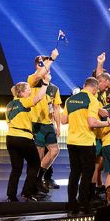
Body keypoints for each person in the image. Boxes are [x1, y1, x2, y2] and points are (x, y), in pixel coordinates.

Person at [62, 77, 110, 214]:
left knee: (74, 174)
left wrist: (102, 111)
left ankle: (71, 204)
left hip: (72, 142)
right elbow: (92, 123)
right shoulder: (92, 99)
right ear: (94, 88)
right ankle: (83, 205)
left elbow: (63, 120)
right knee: (86, 175)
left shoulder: (70, 100)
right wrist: (109, 123)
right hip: (86, 142)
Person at [6, 81, 48, 201]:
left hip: (10, 138)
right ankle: (27, 193)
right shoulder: (24, 101)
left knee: (16, 168)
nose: (30, 91)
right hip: (23, 138)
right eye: (28, 89)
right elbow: (38, 98)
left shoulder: (9, 106)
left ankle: (11, 196)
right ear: (22, 92)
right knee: (34, 164)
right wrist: (45, 84)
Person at [27, 49, 62, 194]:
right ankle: (33, 185)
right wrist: (52, 59)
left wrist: (58, 126)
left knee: (54, 150)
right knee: (39, 154)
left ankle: (39, 178)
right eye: (41, 64)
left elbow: (56, 107)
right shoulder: (32, 81)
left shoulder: (54, 88)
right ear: (37, 66)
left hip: (48, 124)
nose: (45, 67)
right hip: (36, 123)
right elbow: (40, 74)